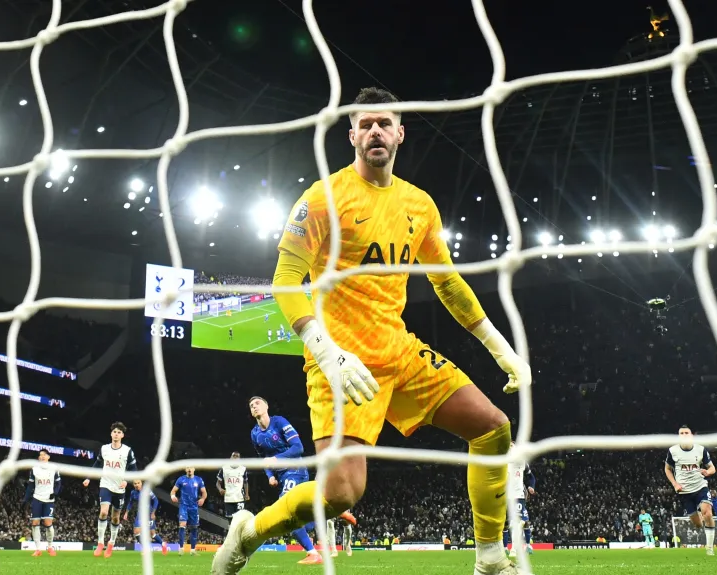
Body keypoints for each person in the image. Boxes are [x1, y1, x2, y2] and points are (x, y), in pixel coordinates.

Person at [213, 86, 531, 575]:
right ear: (352, 135)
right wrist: (325, 351)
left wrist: (499, 347)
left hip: (399, 353)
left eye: (384, 123)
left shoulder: (419, 205)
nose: (375, 131)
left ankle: (489, 556)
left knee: (493, 428)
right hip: (340, 363)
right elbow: (283, 282)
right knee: (341, 494)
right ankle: (249, 532)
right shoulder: (324, 197)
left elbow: (446, 283)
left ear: (401, 133)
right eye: (366, 124)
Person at [247, 396, 322, 565]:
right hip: (282, 476)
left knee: (285, 513)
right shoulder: (255, 434)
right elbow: (264, 458)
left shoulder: (279, 422)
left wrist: (276, 459)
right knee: (295, 518)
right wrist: (270, 475)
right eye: (251, 406)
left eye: (257, 403)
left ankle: (313, 553)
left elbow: (298, 447)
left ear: (266, 406)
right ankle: (322, 514)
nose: (254, 406)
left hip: (296, 469)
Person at [82, 422, 137, 558]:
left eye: (119, 432)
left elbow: (133, 469)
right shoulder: (104, 449)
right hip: (105, 484)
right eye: (114, 431)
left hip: (119, 488)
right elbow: (97, 463)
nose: (116, 434)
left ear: (122, 435)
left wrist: (126, 480)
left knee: (115, 517)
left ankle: (111, 543)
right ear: (111, 433)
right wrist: (88, 477)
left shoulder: (127, 451)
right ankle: (100, 542)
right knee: (103, 512)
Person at [665, 426, 716, 555]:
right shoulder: (673, 451)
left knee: (708, 513)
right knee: (698, 525)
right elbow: (667, 469)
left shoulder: (701, 449)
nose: (684, 435)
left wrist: (707, 472)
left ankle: (709, 548)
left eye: (686, 433)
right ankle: (700, 516)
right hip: (684, 492)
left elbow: (712, 468)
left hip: (700, 487)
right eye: (681, 433)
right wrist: (675, 484)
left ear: (691, 435)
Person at [23, 448, 61, 557]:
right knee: (35, 523)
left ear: (48, 457)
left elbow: (58, 483)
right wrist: (25, 499)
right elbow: (30, 486)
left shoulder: (54, 468)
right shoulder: (34, 469)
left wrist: (55, 493)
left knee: (48, 523)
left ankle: (50, 547)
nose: (42, 456)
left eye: (44, 455)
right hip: (37, 498)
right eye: (40, 455)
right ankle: (38, 549)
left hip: (49, 499)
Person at [504, 444, 535, 558]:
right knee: (507, 524)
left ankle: (515, 549)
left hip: (518, 496)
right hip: (505, 496)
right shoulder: (503, 462)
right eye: (510, 446)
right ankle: (504, 547)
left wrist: (531, 486)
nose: (511, 448)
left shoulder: (522, 462)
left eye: (513, 446)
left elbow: (531, 477)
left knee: (518, 522)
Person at [123, 480, 168, 555]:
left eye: (138, 483)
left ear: (141, 483)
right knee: (136, 531)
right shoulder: (133, 493)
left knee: (152, 534)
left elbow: (156, 500)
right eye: (135, 484)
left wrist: (153, 512)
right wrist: (126, 512)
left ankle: (163, 544)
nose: (137, 485)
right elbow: (130, 502)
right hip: (140, 514)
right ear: (133, 485)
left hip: (149, 514)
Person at [171, 467, 207, 555]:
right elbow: (173, 491)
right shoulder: (181, 479)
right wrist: (173, 496)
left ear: (194, 469)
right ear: (185, 469)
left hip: (194, 507)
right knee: (182, 525)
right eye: (187, 468)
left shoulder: (198, 480)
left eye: (191, 467)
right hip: (184, 505)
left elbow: (204, 492)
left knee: (194, 527)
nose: (189, 469)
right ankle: (181, 548)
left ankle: (193, 550)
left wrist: (202, 499)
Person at [217, 452, 250, 518]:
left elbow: (245, 482)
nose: (235, 457)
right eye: (233, 456)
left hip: (240, 498)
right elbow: (218, 483)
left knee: (239, 519)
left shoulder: (243, 469)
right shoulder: (224, 468)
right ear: (230, 458)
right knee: (230, 519)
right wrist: (220, 489)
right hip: (228, 498)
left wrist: (247, 494)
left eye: (237, 456)